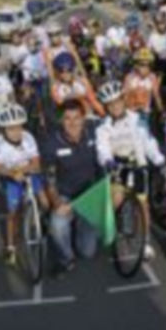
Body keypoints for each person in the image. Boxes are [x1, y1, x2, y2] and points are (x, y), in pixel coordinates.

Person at [95, 81, 166, 260]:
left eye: (118, 101)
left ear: (123, 100)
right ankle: (112, 226)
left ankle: (145, 242)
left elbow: (148, 141)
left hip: (138, 165)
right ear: (106, 107)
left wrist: (158, 159)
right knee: (116, 199)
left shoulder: (138, 119)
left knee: (143, 205)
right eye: (110, 104)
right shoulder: (103, 126)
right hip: (117, 167)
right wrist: (107, 161)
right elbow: (101, 147)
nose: (115, 106)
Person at [40, 100, 102, 273]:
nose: (73, 123)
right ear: (61, 121)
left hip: (89, 195)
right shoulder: (51, 143)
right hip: (65, 195)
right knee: (58, 224)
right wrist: (57, 203)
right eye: (67, 119)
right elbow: (49, 178)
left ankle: (80, 224)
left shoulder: (95, 133)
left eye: (77, 118)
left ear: (84, 118)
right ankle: (66, 258)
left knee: (88, 252)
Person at [0, 104, 49, 266]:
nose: (16, 133)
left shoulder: (29, 137)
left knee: (44, 201)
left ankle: (42, 221)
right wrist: (11, 174)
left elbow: (36, 163)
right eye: (11, 129)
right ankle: (10, 246)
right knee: (12, 213)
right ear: (4, 130)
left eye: (18, 128)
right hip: (12, 178)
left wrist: (24, 170)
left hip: (29, 173)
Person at [50, 52, 103, 119]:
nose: (65, 74)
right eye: (61, 71)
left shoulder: (82, 81)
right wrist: (78, 97)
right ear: (58, 72)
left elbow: (93, 100)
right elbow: (60, 106)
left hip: (88, 115)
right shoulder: (55, 88)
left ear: (73, 69)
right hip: (70, 120)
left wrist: (102, 114)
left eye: (69, 70)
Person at [122, 48, 163, 120]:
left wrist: (161, 111)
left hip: (145, 112)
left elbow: (156, 96)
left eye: (148, 65)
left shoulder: (152, 77)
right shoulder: (130, 77)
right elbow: (124, 96)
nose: (145, 68)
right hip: (130, 112)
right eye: (142, 65)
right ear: (136, 65)